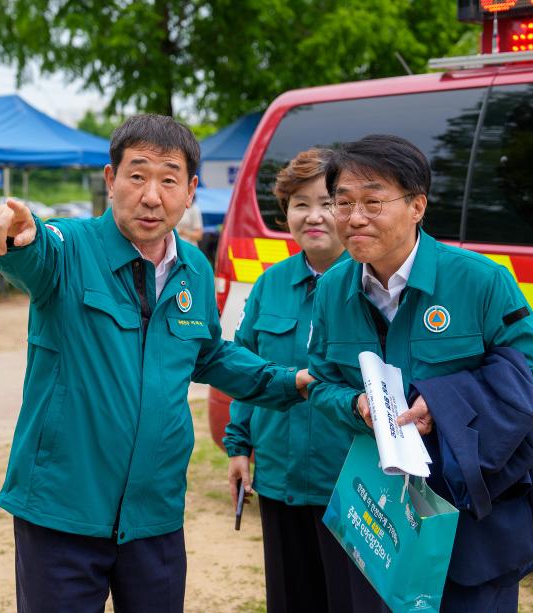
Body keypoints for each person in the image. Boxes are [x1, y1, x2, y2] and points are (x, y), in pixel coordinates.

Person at [0, 114, 313, 613]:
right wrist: (17, 236)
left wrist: (292, 382)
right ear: (111, 180)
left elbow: (209, 355)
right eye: (137, 175)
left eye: (168, 179)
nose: (151, 195)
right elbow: (34, 255)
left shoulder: (194, 269)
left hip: (154, 514)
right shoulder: (70, 248)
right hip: (62, 510)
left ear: (191, 190)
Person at [308, 135, 533, 612]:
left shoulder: (480, 280)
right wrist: (355, 406)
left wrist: (447, 407)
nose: (353, 218)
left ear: (417, 206)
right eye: (342, 202)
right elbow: (320, 384)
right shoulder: (333, 288)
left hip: (472, 510)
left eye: (373, 202)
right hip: (378, 512)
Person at [223, 148, 386, 612]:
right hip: (280, 478)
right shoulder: (270, 284)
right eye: (300, 204)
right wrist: (238, 447)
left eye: (326, 202)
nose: (314, 216)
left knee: (351, 602)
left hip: (351, 481)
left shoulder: (372, 284)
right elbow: (245, 369)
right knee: (291, 600)